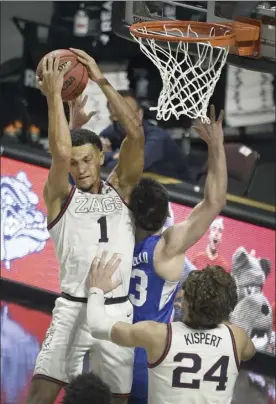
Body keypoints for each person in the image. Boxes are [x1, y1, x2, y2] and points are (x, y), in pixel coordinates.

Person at [26, 48, 144, 404]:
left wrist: (99, 78)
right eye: (75, 163)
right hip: (74, 308)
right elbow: (60, 153)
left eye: (87, 159)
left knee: (117, 401)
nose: (80, 167)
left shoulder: (121, 188)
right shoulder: (60, 196)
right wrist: (54, 98)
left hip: (115, 309)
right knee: (39, 397)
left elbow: (135, 134)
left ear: (101, 157)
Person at [126, 105, 227, 403]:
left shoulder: (116, 235)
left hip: (113, 347)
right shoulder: (166, 248)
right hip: (151, 358)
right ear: (165, 215)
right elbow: (215, 201)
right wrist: (215, 147)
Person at [87, 254, 256, 404]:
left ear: (187, 304)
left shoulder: (158, 335)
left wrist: (97, 290)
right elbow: (250, 352)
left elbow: (97, 326)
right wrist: (217, 313)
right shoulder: (237, 338)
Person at [100, 89, 192, 182]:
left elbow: (130, 167)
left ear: (140, 113)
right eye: (118, 115)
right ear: (112, 118)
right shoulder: (112, 131)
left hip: (178, 190)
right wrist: (112, 155)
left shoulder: (157, 137)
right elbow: (91, 157)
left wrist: (108, 156)